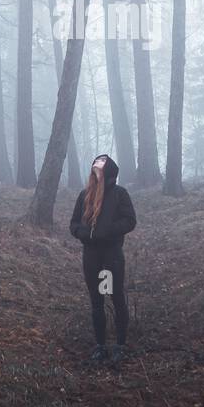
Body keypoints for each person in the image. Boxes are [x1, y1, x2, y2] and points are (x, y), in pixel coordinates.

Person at [69, 154, 136, 364]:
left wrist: (108, 231)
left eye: (99, 170)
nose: (95, 174)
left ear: (109, 173)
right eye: (94, 170)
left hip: (112, 254)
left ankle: (120, 345)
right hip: (91, 255)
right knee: (96, 301)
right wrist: (83, 232)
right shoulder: (85, 195)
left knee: (116, 297)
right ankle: (100, 346)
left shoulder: (119, 194)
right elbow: (73, 224)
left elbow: (130, 221)